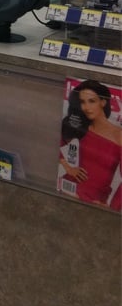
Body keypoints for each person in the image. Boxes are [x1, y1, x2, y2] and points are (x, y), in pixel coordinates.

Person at [59, 79, 121, 210]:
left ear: (103, 102)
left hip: (97, 201)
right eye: (82, 102)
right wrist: (68, 167)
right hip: (70, 191)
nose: (86, 107)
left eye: (92, 101)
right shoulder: (81, 127)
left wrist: (113, 208)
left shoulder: (119, 135)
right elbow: (54, 144)